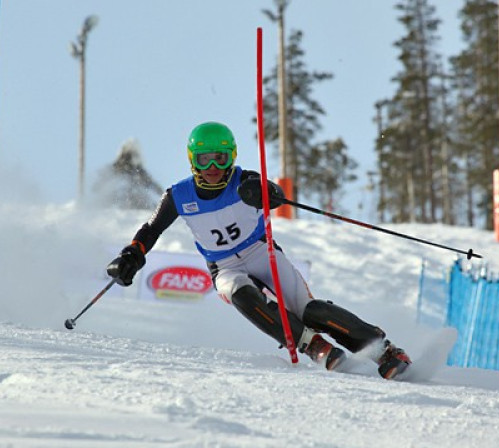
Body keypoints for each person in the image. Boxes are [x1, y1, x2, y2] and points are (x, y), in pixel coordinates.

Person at [106, 121, 411, 379]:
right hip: (225, 267)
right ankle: (311, 344)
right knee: (241, 293)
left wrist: (267, 194)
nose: (212, 168)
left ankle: (384, 351)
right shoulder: (179, 195)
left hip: (261, 252)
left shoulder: (245, 181)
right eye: (204, 160)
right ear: (191, 160)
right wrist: (132, 254)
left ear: (232, 157)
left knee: (312, 310)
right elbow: (152, 228)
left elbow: (272, 194)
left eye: (220, 159)